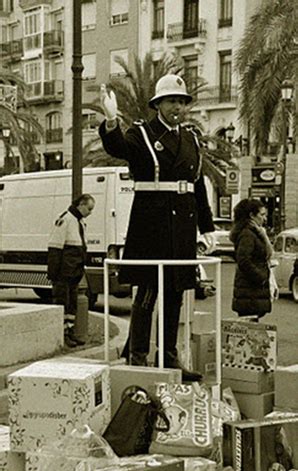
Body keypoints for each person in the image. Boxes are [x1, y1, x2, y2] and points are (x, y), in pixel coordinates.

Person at [99, 74, 215, 382]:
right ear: (158, 104)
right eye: (171, 101)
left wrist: (207, 226)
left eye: (181, 101)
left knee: (175, 294)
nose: (177, 106)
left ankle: (169, 356)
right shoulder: (142, 133)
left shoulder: (191, 139)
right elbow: (119, 148)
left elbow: (197, 186)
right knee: (147, 293)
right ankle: (138, 355)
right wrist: (111, 121)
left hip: (182, 226)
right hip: (151, 223)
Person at [47, 194, 95, 347]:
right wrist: (53, 273)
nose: (90, 212)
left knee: (72, 304)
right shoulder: (65, 220)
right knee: (62, 302)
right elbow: (55, 247)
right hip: (64, 272)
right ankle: (63, 334)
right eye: (89, 208)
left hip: (74, 271)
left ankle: (70, 331)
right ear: (81, 204)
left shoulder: (79, 222)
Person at [230, 198, 277, 320]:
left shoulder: (256, 233)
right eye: (262, 215)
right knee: (250, 325)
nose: (265, 219)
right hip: (250, 290)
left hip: (252, 291)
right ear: (251, 215)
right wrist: (261, 278)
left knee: (252, 325)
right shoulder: (247, 234)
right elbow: (243, 260)